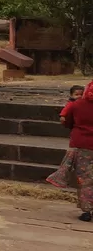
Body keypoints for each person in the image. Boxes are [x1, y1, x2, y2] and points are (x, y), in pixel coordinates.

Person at [48, 80, 93, 222]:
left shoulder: (76, 105)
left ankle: (87, 211)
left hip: (82, 145)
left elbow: (66, 122)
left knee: (85, 179)